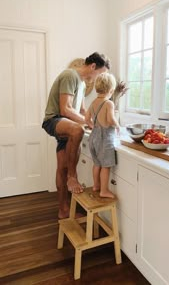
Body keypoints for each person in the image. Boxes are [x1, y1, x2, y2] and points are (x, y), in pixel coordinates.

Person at [42, 52, 111, 219]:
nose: (99, 78)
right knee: (78, 130)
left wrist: (95, 121)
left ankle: (63, 210)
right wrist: (89, 124)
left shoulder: (81, 83)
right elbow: (65, 109)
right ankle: (73, 177)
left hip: (66, 125)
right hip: (54, 120)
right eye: (101, 73)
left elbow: (81, 111)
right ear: (93, 66)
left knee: (61, 167)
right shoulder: (70, 75)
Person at [85, 73, 120, 199]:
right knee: (105, 166)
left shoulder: (93, 102)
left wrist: (92, 126)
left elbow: (86, 118)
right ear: (111, 90)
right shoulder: (108, 103)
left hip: (93, 137)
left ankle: (96, 185)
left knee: (97, 163)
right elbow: (110, 120)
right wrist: (118, 125)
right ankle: (104, 190)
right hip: (105, 138)